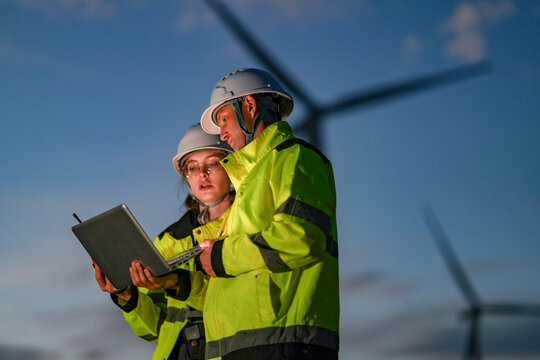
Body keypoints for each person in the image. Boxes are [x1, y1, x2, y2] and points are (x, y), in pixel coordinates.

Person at [198, 68, 339, 359]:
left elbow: (300, 237)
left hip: (280, 343)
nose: (222, 134)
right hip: (246, 346)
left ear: (249, 106)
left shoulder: (295, 158)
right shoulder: (247, 182)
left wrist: (222, 256)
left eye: (223, 119)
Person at [94, 124, 233, 360]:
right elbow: (160, 327)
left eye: (212, 163)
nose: (202, 174)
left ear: (233, 168)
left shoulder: (248, 223)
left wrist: (176, 282)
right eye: (192, 167)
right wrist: (128, 295)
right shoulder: (169, 240)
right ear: (185, 178)